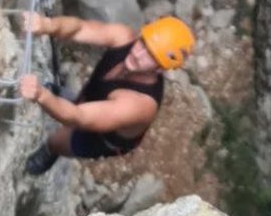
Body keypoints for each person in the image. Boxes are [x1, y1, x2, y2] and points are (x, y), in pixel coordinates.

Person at [17, 14, 195, 175]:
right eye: (143, 43)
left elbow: (77, 117)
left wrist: (41, 95)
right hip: (93, 95)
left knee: (58, 140)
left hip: (103, 137)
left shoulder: (138, 105)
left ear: (160, 69)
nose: (138, 53)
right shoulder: (125, 38)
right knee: (82, 99)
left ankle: (50, 151)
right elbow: (80, 28)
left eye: (151, 56)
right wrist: (48, 25)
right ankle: (71, 98)